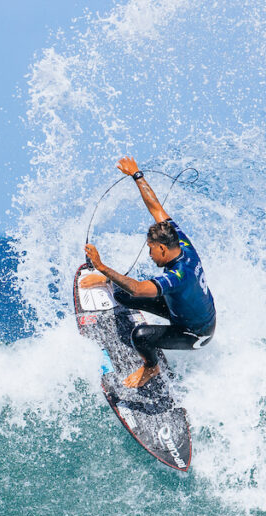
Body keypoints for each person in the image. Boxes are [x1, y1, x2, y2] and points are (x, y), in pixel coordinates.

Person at [82, 156, 216, 388]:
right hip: (183, 312)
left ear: (163, 248)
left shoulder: (177, 276)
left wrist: (102, 267)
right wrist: (137, 175)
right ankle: (111, 283)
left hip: (196, 334)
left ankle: (151, 367)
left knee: (140, 335)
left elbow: (137, 287)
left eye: (152, 250)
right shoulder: (181, 243)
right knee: (122, 294)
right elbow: (156, 208)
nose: (150, 254)